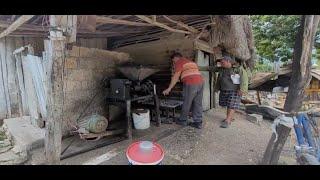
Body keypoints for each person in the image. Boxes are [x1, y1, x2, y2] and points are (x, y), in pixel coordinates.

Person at [162, 52, 204, 129]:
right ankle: (198, 122)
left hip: (191, 83)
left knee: (187, 102)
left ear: (176, 58)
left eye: (173, 61)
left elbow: (176, 76)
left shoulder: (179, 61)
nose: (173, 62)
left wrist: (169, 88)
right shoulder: (191, 62)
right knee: (197, 103)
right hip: (200, 82)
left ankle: (182, 120)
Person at [215, 55, 245, 128]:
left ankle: (227, 121)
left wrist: (242, 89)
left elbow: (244, 79)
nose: (221, 64)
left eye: (222, 62)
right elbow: (211, 69)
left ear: (228, 61)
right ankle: (229, 117)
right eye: (221, 63)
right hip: (224, 90)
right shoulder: (222, 69)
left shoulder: (237, 69)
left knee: (232, 105)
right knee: (228, 104)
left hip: (235, 90)